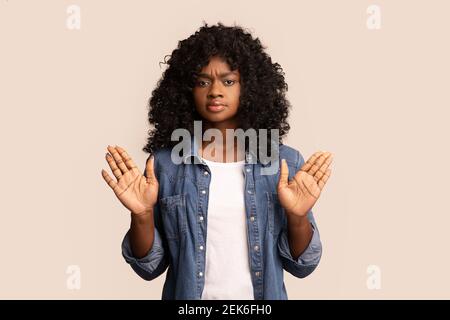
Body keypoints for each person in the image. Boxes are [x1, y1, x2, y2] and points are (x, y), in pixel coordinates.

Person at [101, 22, 333, 300]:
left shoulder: (280, 160)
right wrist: (141, 215)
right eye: (202, 81)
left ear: (249, 87)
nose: (214, 91)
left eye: (228, 81)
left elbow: (302, 265)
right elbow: (148, 267)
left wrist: (297, 217)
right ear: (186, 90)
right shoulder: (167, 164)